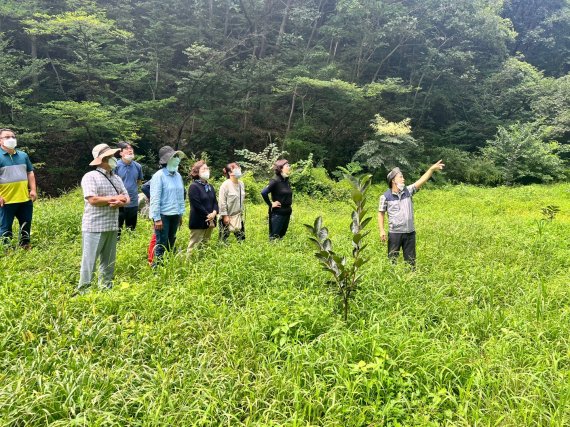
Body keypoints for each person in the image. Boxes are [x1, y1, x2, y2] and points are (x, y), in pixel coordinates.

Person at [76, 144, 129, 293]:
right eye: (111, 157)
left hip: (112, 225)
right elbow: (92, 200)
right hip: (94, 226)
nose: (114, 159)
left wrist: (121, 201)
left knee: (109, 261)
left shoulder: (117, 178)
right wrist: (114, 198)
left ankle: (106, 288)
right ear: (103, 160)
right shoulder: (90, 176)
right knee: (89, 261)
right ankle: (84, 290)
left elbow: (127, 198)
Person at [378, 160, 445, 267]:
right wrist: (381, 230)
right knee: (392, 260)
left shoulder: (408, 191)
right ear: (393, 180)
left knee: (411, 261)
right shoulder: (385, 197)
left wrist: (431, 169)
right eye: (400, 177)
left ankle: (411, 277)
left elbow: (422, 180)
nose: (403, 179)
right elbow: (381, 213)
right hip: (395, 233)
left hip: (410, 232)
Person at [0, 128, 37, 248]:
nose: (11, 139)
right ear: (0, 140)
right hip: (6, 200)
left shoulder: (23, 155)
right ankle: (7, 249)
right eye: (7, 137)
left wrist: (33, 190)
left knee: (26, 223)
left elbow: (30, 172)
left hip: (24, 198)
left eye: (13, 137)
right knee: (5, 227)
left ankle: (25, 245)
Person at [149, 146, 186, 265]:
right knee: (161, 244)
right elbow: (155, 198)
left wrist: (180, 213)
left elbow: (180, 197)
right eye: (174, 156)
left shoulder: (178, 176)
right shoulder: (159, 176)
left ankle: (168, 266)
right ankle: (157, 269)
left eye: (177, 156)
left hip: (175, 214)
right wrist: (157, 218)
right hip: (163, 216)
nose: (177, 159)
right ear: (167, 159)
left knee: (171, 241)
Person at [187, 160, 218, 252]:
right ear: (197, 171)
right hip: (198, 221)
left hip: (210, 221)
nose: (207, 170)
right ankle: (189, 264)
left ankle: (201, 264)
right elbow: (196, 204)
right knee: (194, 246)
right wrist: (208, 215)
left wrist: (214, 213)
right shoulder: (193, 186)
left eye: (207, 168)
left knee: (205, 245)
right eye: (204, 169)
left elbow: (215, 202)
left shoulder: (210, 186)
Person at [115, 141, 143, 238]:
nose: (130, 150)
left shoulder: (138, 166)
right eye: (127, 149)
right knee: (117, 228)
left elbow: (139, 181)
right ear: (121, 153)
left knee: (131, 228)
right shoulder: (116, 166)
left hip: (133, 200)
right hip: (119, 201)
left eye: (131, 148)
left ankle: (130, 242)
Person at [261, 159, 292, 240]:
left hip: (287, 212)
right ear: (281, 168)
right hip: (278, 213)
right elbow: (264, 192)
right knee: (274, 237)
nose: (289, 167)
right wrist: (271, 204)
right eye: (287, 166)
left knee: (281, 236)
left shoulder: (286, 180)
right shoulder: (275, 180)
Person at [218, 162, 245, 243]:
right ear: (230, 173)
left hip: (238, 215)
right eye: (235, 169)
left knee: (241, 239)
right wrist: (225, 216)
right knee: (223, 239)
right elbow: (222, 202)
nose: (238, 170)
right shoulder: (225, 185)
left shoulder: (241, 184)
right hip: (227, 216)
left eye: (239, 168)